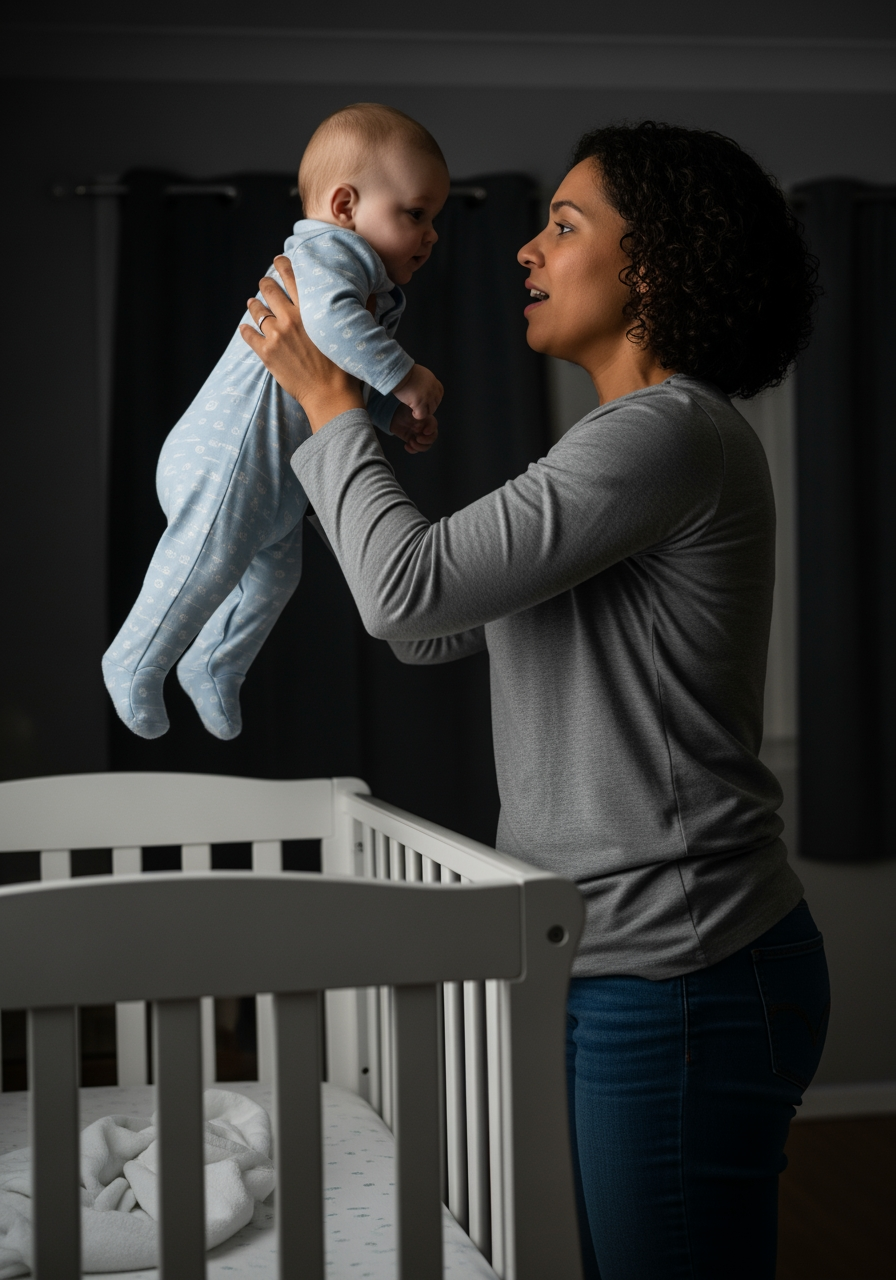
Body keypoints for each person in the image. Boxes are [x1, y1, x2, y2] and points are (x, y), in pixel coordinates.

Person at [240, 121, 830, 1280]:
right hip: (625, 959)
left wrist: (326, 403)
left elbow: (403, 599)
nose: (524, 250)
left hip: (681, 966)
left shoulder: (664, 434)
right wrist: (346, 427)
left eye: (563, 225)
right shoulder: (622, 443)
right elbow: (438, 625)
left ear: (650, 265)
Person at [102, 103, 448, 741]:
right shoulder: (325, 257)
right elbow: (330, 329)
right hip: (229, 460)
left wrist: (388, 415)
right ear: (345, 206)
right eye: (417, 214)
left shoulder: (365, 281)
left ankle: (214, 663)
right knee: (203, 566)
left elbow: (333, 375)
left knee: (273, 581)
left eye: (434, 221)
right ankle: (132, 661)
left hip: (277, 481)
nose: (430, 236)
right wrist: (407, 375)